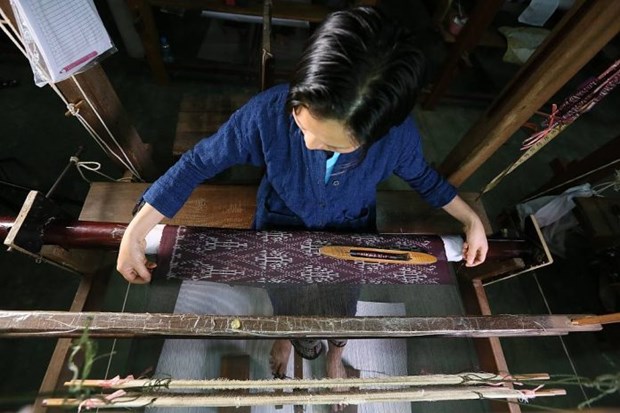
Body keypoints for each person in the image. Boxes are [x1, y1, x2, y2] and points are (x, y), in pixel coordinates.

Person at [116, 4, 488, 405]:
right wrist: (138, 228)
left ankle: (336, 357)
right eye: (302, 122)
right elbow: (199, 161)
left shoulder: (396, 139)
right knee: (283, 294)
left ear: (374, 134)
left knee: (344, 306)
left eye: (330, 143)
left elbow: (425, 179)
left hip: (350, 234)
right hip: (280, 224)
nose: (309, 144)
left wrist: (469, 219)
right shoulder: (268, 114)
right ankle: (287, 338)